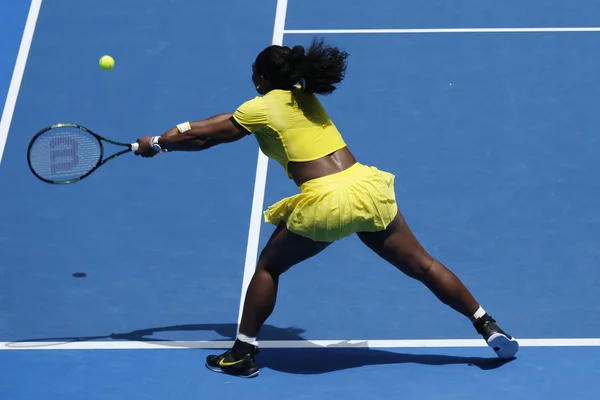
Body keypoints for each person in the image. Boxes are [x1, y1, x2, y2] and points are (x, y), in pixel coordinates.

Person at [134, 38, 519, 378]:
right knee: (424, 264)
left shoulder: (260, 107)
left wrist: (156, 142)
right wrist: (165, 141)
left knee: (269, 267)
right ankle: (487, 325)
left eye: (255, 74)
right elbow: (212, 129)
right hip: (367, 188)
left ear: (262, 80)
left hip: (325, 202)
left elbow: (206, 135)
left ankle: (241, 354)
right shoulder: (306, 95)